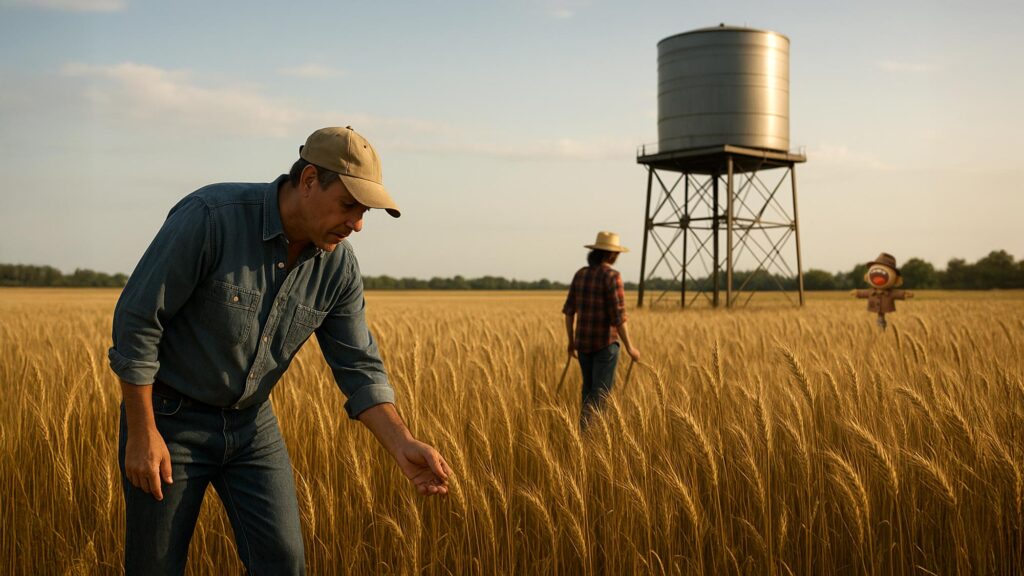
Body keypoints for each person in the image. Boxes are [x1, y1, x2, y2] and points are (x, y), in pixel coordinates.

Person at [108, 126, 451, 575]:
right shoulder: (211, 217)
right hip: (169, 421)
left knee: (284, 563)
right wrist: (142, 431)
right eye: (350, 205)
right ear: (309, 180)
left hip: (252, 425)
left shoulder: (339, 267)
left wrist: (402, 443)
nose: (358, 224)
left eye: (364, 211)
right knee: (155, 566)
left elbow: (359, 367)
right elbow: (137, 320)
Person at [562, 231, 641, 429]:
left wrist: (571, 342)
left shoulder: (581, 274)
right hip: (605, 346)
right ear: (611, 255)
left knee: (587, 392)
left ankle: (583, 435)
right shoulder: (613, 276)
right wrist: (631, 348)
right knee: (601, 395)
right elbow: (618, 316)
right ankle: (593, 439)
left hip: (583, 345)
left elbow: (569, 312)